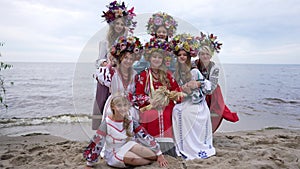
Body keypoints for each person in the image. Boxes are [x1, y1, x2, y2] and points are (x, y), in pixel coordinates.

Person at [83, 94, 168, 168]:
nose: (123, 108)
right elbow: (98, 142)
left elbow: (144, 135)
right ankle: (145, 161)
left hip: (129, 145)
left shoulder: (131, 120)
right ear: (113, 107)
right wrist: (89, 163)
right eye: (119, 106)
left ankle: (152, 158)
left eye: (125, 105)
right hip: (114, 152)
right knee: (137, 159)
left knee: (153, 156)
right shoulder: (107, 123)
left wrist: (159, 154)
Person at [92, 0, 137, 129]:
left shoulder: (125, 39)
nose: (119, 26)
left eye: (122, 24)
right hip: (109, 73)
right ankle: (103, 128)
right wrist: (107, 63)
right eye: (117, 23)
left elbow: (130, 53)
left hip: (123, 72)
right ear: (112, 24)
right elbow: (99, 60)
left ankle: (124, 127)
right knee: (103, 101)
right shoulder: (105, 42)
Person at [170, 33, 216, 160]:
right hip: (185, 101)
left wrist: (196, 84)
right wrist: (182, 90)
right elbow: (175, 91)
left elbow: (207, 87)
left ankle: (196, 147)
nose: (182, 57)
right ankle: (183, 146)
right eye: (179, 55)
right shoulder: (176, 73)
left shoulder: (194, 71)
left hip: (197, 102)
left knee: (185, 113)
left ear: (189, 56)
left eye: (184, 55)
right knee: (177, 111)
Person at [134, 38, 181, 157]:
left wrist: (170, 95)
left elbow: (177, 91)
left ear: (163, 60)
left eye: (159, 57)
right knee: (150, 115)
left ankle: (168, 149)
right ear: (149, 58)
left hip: (166, 105)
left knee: (167, 114)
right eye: (154, 57)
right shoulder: (143, 75)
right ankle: (150, 148)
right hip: (150, 105)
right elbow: (138, 95)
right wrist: (150, 100)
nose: (156, 59)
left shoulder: (168, 75)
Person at [194, 32, 239, 132]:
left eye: (207, 54)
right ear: (199, 55)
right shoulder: (194, 64)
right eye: (202, 54)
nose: (205, 56)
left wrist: (201, 88)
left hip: (212, 92)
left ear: (210, 56)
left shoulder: (214, 68)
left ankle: (209, 130)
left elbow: (212, 86)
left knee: (217, 111)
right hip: (196, 89)